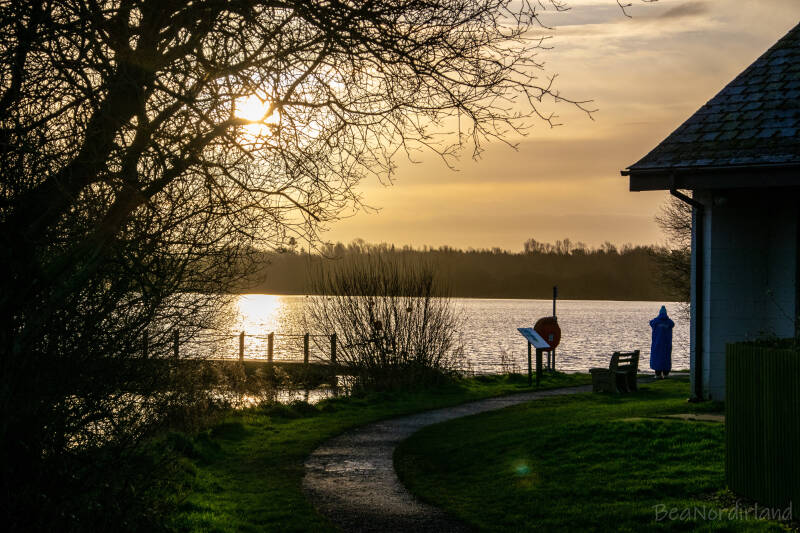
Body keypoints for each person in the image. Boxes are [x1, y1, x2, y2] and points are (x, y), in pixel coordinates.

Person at [649, 305, 674, 379]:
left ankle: (658, 374)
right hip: (666, 344)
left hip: (657, 344)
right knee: (666, 358)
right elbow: (673, 324)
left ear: (659, 313)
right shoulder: (669, 322)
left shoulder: (656, 321)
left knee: (657, 358)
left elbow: (651, 323)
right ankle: (666, 373)